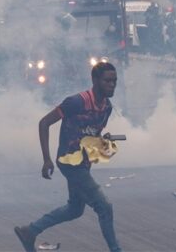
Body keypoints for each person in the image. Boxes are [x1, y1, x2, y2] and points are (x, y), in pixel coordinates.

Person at [14, 62, 122, 252]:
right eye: (107, 81)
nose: (112, 85)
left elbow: (91, 138)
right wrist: (46, 159)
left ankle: (30, 231)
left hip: (84, 163)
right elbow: (44, 123)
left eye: (114, 81)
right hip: (70, 162)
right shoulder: (76, 102)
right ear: (95, 81)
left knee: (75, 209)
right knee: (105, 207)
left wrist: (102, 142)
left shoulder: (106, 108)